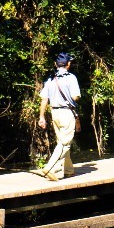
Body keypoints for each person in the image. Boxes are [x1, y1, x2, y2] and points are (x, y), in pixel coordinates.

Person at [39, 52, 81, 180]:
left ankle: (68, 169)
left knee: (61, 141)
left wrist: (41, 117)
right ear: (68, 64)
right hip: (66, 112)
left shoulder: (50, 79)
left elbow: (44, 99)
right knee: (65, 143)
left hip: (54, 113)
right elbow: (75, 96)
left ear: (55, 64)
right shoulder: (71, 78)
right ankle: (50, 168)